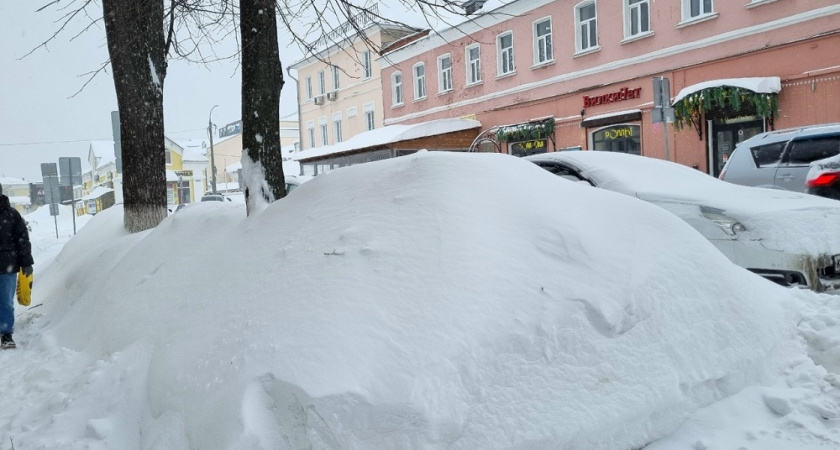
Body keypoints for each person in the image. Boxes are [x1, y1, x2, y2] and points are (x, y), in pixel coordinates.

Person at [0, 184, 34, 349]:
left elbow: (22, 240)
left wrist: (26, 263)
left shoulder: (12, 215)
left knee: (5, 302)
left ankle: (6, 334)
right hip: (7, 264)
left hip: (7, 266)